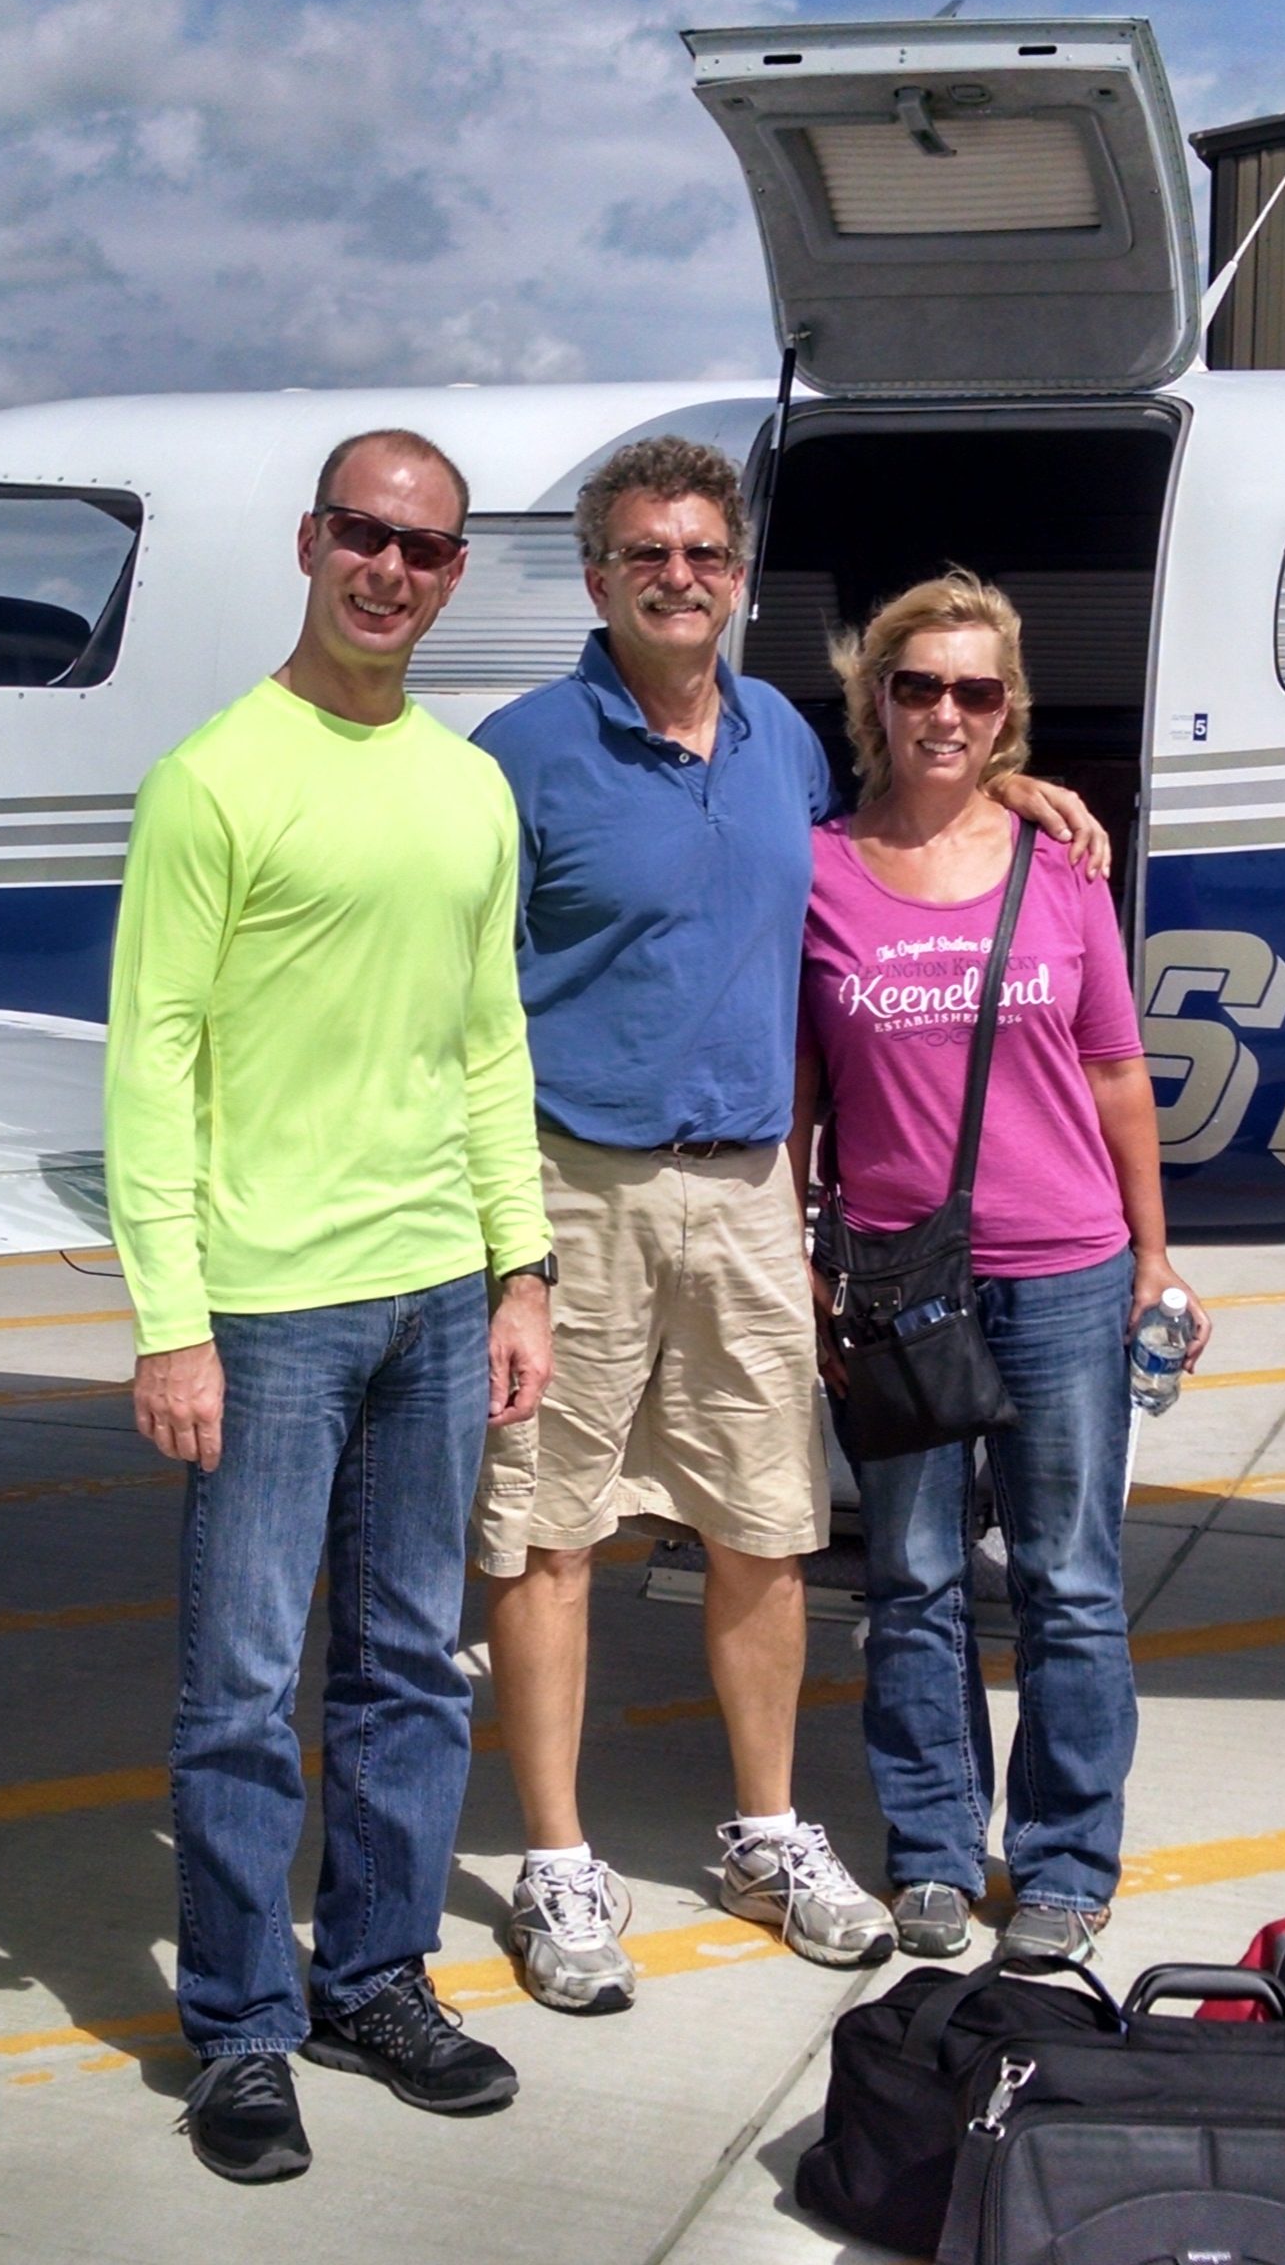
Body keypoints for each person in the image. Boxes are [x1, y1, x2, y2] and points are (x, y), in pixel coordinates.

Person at [468, 438, 1107, 2012]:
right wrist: (506, 1247)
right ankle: (558, 1862)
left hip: (752, 1186)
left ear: (739, 576)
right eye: (643, 553)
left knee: (763, 1523)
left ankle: (765, 1831)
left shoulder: (779, 749)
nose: (676, 576)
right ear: (596, 576)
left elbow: (913, 803)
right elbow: (467, 1003)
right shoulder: (518, 752)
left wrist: (1015, 783)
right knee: (551, 1531)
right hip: (576, 1181)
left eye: (702, 552)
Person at [107, 428, 558, 2185]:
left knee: (403, 1673)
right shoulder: (213, 779)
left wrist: (519, 1266)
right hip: (271, 1307)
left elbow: (487, 1044)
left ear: (455, 575)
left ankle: (374, 1978)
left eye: (426, 550)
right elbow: (152, 1064)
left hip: (439, 1293)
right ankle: (238, 2027)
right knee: (236, 1689)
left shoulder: (465, 790)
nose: (390, 570)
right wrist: (171, 1317)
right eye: (364, 536)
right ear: (310, 543)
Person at [792, 571, 1210, 1971]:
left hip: (1067, 1271)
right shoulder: (819, 870)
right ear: (877, 703)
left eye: (976, 691)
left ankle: (1064, 1861)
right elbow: (798, 1086)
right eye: (919, 686)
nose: (947, 713)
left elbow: (1112, 1070)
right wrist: (799, 1247)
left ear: (1006, 712)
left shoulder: (1057, 866)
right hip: (901, 1277)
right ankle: (926, 1845)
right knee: (910, 1576)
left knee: (1068, 1581)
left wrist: (1153, 1255)